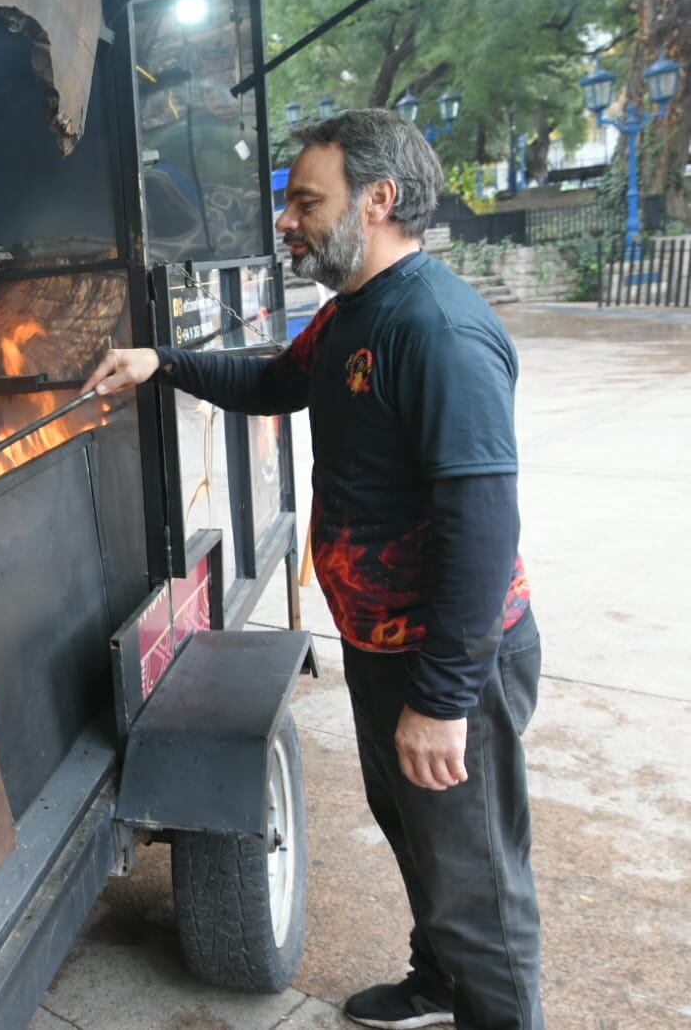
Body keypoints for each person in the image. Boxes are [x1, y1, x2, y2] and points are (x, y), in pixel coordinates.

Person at [82, 109, 542, 1030]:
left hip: (450, 655)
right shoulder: (347, 316)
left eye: (304, 201)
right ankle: (437, 983)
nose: (284, 220)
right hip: (381, 641)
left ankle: (489, 1003)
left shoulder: (438, 330)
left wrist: (444, 699)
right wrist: (158, 361)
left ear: (377, 200)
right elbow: (275, 384)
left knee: (477, 882)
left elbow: (482, 524)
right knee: (415, 835)